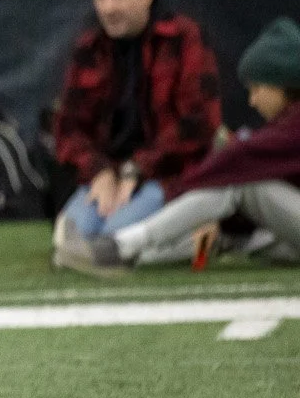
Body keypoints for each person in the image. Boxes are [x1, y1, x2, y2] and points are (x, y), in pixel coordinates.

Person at [58, 17, 300, 276]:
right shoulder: (286, 124)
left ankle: (121, 247)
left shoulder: (292, 126)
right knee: (228, 234)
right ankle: (126, 253)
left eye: (257, 88)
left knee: (240, 180)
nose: (252, 101)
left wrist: (182, 189)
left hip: (162, 181)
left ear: (282, 83)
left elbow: (240, 158)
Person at [50, 0, 222, 260]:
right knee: (69, 243)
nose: (108, 7)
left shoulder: (185, 39)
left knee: (113, 242)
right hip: (108, 179)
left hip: (169, 176)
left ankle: (200, 237)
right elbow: (69, 129)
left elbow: (199, 124)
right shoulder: (88, 47)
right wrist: (100, 171)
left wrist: (137, 169)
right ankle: (182, 241)